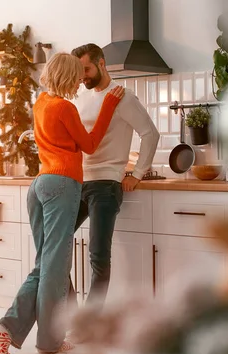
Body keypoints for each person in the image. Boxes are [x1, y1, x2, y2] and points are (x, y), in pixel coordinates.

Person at [0, 52, 125, 354]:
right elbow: (90, 145)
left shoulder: (40, 103)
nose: (81, 79)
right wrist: (108, 105)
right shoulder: (65, 107)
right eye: (77, 74)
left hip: (39, 186)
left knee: (45, 265)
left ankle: (8, 329)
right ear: (67, 76)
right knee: (54, 269)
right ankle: (49, 341)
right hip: (63, 185)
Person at [67, 43, 160, 322]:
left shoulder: (122, 97)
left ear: (102, 63)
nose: (82, 76)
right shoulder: (80, 98)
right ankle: (72, 315)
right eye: (78, 71)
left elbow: (150, 134)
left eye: (86, 69)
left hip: (106, 184)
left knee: (97, 257)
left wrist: (137, 173)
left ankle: (89, 322)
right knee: (54, 244)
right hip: (78, 181)